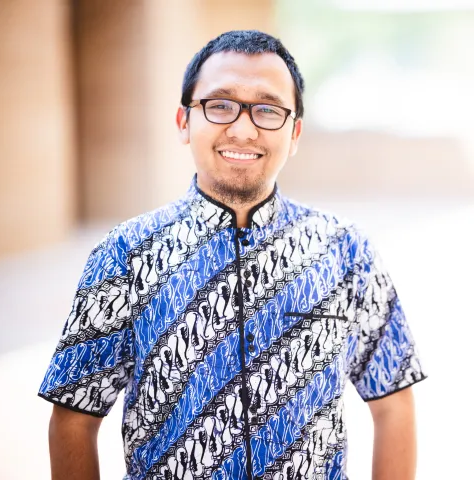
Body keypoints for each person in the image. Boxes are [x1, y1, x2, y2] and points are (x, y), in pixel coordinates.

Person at [39, 30, 427, 480]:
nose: (243, 129)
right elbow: (74, 419)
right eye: (220, 105)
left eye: (267, 109)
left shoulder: (346, 251)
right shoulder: (124, 254)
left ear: (295, 131)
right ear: (184, 121)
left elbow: (394, 401)